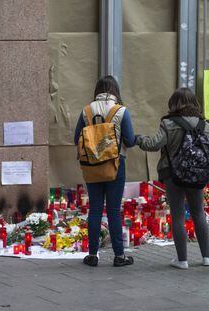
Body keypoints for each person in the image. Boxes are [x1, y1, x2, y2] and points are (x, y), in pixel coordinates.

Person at [136, 87, 209, 269]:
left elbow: (153, 144)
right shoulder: (205, 125)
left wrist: (139, 139)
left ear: (174, 104)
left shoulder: (168, 123)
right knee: (198, 213)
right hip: (197, 174)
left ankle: (182, 260)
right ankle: (207, 256)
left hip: (173, 174)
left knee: (178, 215)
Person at [74, 76, 136, 267]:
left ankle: (92, 254)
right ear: (115, 90)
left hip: (91, 166)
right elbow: (131, 140)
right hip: (115, 165)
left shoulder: (86, 111)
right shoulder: (121, 111)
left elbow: (77, 137)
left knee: (94, 209)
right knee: (113, 211)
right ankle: (119, 256)